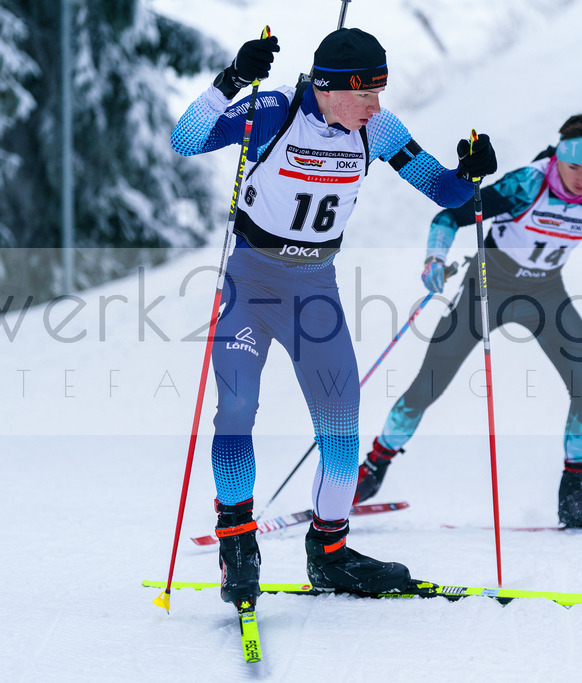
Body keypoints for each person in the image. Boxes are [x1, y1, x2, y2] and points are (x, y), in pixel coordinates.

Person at [169, 28, 497, 606]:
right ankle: (237, 544)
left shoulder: (378, 129)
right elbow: (186, 139)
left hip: (314, 291)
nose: (375, 104)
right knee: (237, 409)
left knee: (342, 430)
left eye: (379, 92)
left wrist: (469, 173)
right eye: (365, 93)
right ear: (329, 87)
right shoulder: (275, 111)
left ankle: (330, 553)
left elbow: (444, 192)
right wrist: (233, 80)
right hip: (252, 284)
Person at [354, 114, 582, 528]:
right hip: (487, 286)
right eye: (574, 166)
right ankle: (371, 471)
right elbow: (450, 217)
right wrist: (434, 259)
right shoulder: (527, 183)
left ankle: (574, 497)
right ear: (558, 156)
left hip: (545, 293)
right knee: (430, 382)